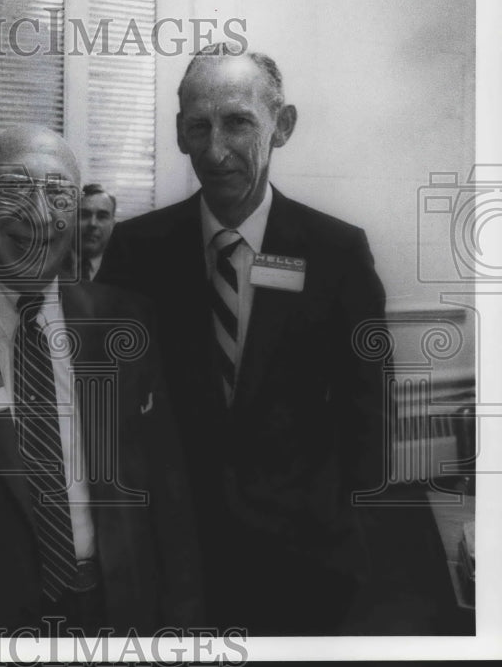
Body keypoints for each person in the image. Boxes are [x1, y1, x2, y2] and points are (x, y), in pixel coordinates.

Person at [97, 44, 388, 635]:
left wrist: (349, 527)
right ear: (178, 133)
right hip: (177, 554)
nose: (215, 151)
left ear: (282, 126)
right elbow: (102, 392)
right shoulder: (137, 250)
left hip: (304, 553)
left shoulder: (335, 252)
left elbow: (369, 406)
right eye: (197, 127)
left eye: (237, 123)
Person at [0, 126, 202, 635]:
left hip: (118, 614)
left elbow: (169, 494)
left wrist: (183, 624)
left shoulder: (123, 323)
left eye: (58, 193)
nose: (38, 213)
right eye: (14, 188)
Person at [78, 183, 116, 282]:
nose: (92, 224)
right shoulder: (52, 265)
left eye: (102, 216)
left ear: (113, 224)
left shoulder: (125, 271)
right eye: (84, 215)